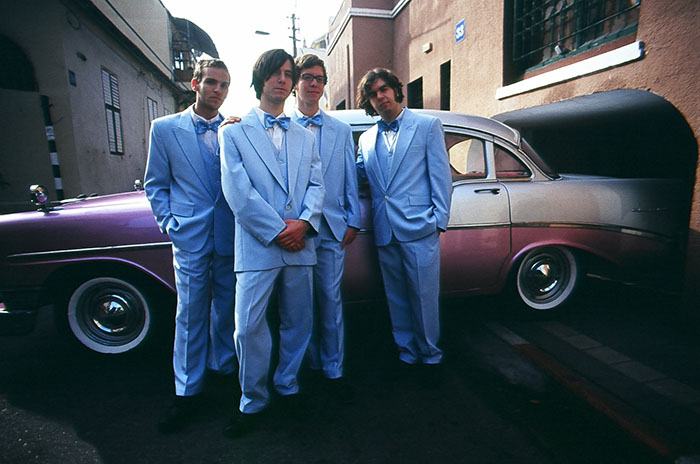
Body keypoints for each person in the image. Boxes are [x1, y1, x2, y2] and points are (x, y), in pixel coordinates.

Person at [219, 49, 324, 437]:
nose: (282, 79)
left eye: (288, 73)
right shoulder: (233, 132)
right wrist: (280, 231)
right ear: (259, 78)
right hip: (258, 243)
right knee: (247, 327)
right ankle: (253, 400)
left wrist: (305, 224)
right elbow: (238, 192)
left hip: (301, 242)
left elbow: (318, 185)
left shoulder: (305, 136)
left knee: (299, 320)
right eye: (275, 73)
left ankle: (288, 385)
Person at [144, 59, 236, 433]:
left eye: (224, 85)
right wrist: (170, 224)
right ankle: (186, 391)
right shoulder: (164, 129)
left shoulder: (235, 129)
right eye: (211, 82)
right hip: (189, 234)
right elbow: (155, 184)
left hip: (230, 234)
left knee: (228, 310)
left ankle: (223, 371)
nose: (218, 90)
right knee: (190, 312)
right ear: (196, 84)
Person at [355, 67, 452, 385]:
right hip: (385, 228)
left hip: (419, 226)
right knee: (395, 296)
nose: (380, 96)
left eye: (384, 89)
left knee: (424, 296)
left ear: (396, 90)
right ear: (369, 101)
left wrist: (438, 221)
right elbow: (356, 175)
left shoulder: (426, 126)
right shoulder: (366, 139)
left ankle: (431, 355)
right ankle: (406, 353)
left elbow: (441, 176)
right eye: (373, 94)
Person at [293, 54, 361, 395]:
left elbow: (350, 177)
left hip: (332, 228)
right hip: (295, 232)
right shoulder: (279, 125)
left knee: (330, 300)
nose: (313, 84)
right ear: (295, 82)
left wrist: (353, 221)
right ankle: (308, 364)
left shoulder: (341, 130)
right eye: (307, 77)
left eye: (319, 78)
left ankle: (334, 368)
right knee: (298, 305)